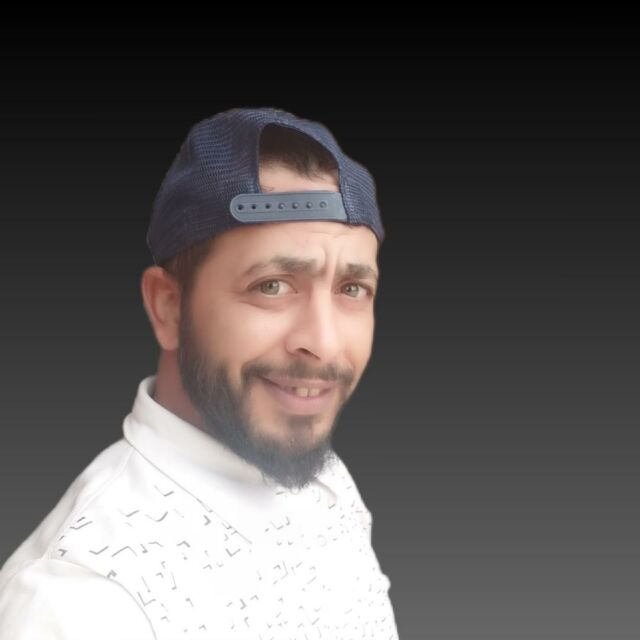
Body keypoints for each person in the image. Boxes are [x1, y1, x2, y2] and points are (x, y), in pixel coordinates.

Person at [0, 106, 399, 639]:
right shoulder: (80, 602)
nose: (324, 343)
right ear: (167, 307)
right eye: (272, 286)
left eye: (352, 289)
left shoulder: (325, 481)